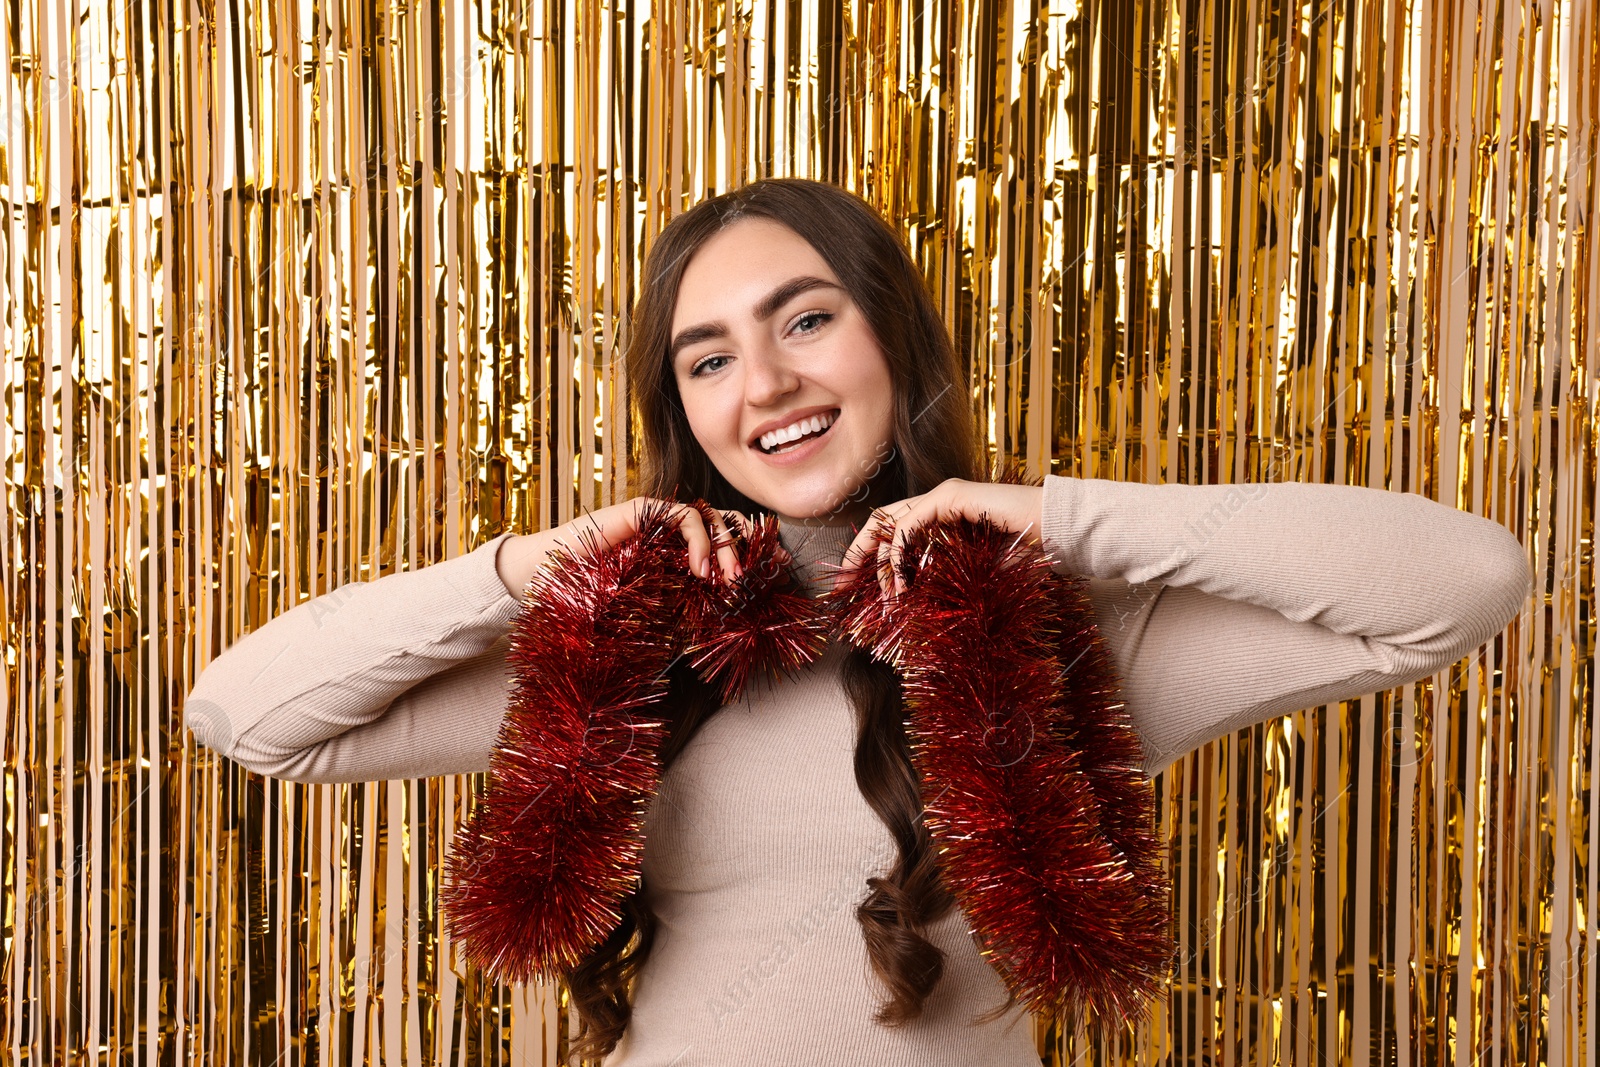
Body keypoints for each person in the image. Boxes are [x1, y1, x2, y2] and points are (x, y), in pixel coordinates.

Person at [184, 178, 1533, 1066]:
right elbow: (248, 718)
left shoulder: (1070, 638)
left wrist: (1056, 518)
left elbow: (1460, 583)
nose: (764, 381)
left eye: (805, 320)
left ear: (891, 336)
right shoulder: (627, 648)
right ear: (686, 410)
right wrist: (525, 566)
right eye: (707, 358)